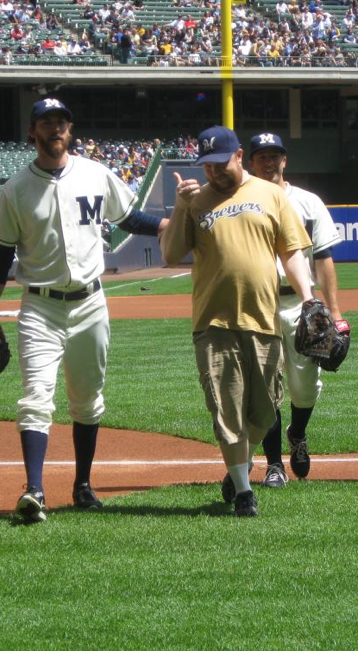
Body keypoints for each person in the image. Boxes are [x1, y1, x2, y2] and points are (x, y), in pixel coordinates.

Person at [0, 98, 168, 523]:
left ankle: (83, 485)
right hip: (39, 308)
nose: (55, 128)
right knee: (35, 398)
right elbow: (0, 256)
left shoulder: (95, 173)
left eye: (61, 121)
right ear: (33, 132)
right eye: (46, 122)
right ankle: (34, 490)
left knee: (88, 400)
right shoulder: (15, 189)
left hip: (90, 304)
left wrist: (165, 225)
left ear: (70, 129)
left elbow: (128, 218)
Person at [159, 125, 313, 517]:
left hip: (263, 317)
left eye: (220, 163)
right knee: (227, 408)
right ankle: (244, 491)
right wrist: (180, 206)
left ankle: (236, 466)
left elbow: (292, 251)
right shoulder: (195, 201)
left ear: (239, 156)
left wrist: (309, 299)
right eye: (207, 166)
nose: (214, 172)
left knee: (266, 410)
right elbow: (171, 254)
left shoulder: (270, 194)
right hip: (214, 322)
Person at [249, 132, 343, 487]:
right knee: (265, 387)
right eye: (262, 156)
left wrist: (335, 314)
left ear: (284, 160)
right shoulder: (243, 201)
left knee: (304, 388)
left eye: (274, 156)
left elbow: (323, 257)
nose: (269, 162)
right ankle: (274, 464)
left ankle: (298, 433)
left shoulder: (307, 202)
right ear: (251, 162)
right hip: (259, 303)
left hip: (300, 306)